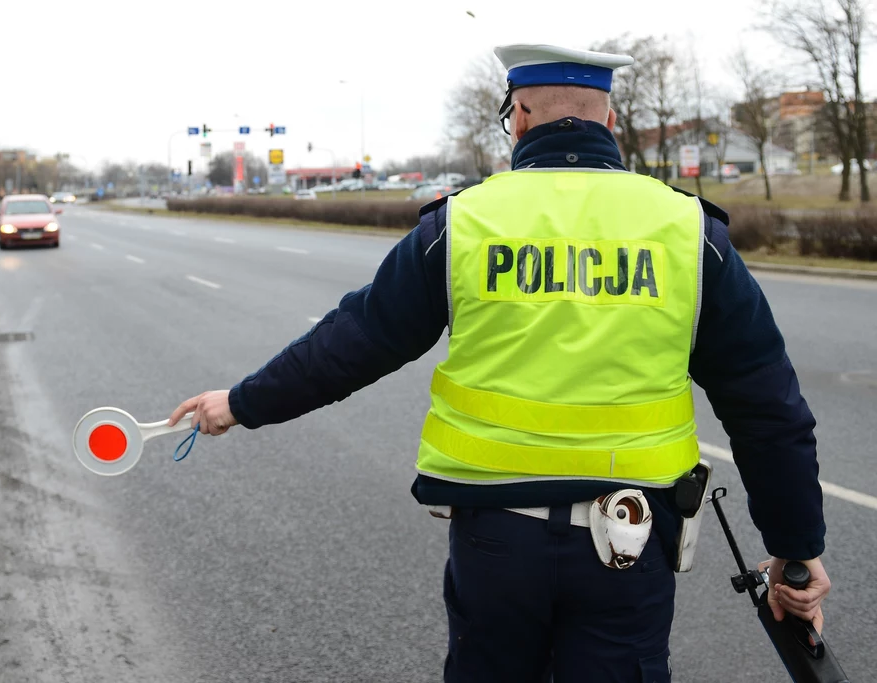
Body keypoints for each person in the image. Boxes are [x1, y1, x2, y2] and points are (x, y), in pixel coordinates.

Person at [168, 44, 831, 683]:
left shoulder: (462, 225)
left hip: (495, 545)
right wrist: (794, 553)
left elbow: (352, 343)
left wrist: (241, 402)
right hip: (627, 544)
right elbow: (766, 406)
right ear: (611, 120)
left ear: (518, 117)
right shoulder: (689, 233)